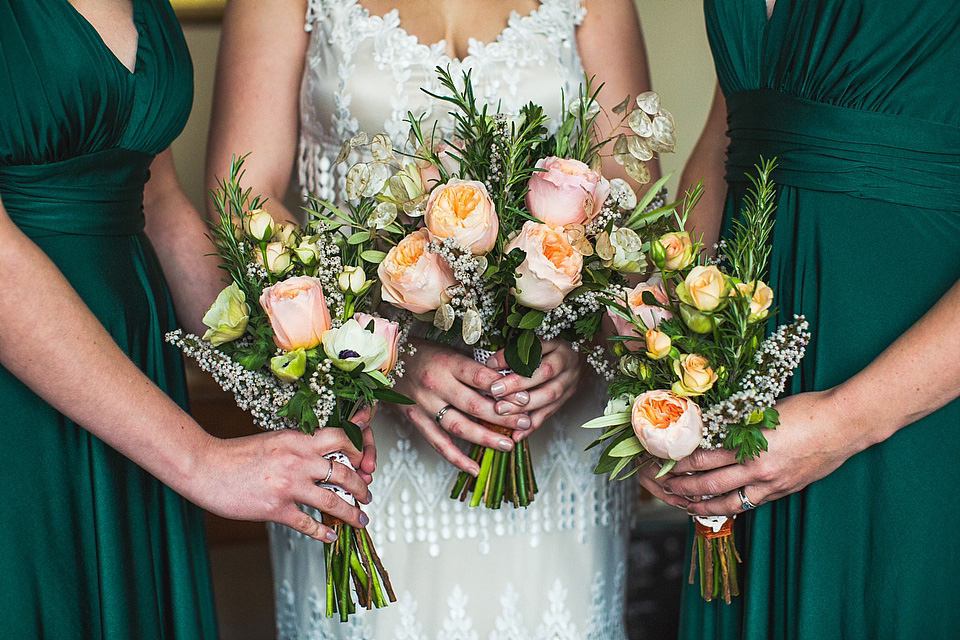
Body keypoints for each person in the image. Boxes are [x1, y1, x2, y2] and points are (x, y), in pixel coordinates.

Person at [206, 0, 658, 637]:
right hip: (360, 428)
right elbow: (244, 201)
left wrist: (581, 337)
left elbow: (630, 202)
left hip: (549, 429)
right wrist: (389, 356)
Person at [0, 1, 375, 637]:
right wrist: (201, 461)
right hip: (24, 395)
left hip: (137, 379)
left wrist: (290, 375)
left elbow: (158, 196)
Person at [639, 0, 960, 638]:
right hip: (746, 394)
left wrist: (846, 419)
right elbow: (730, 131)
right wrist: (660, 371)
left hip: (916, 398)